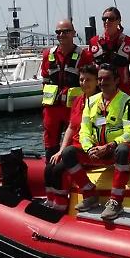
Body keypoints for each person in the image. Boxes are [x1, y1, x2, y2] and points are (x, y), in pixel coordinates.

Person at [87, 7, 130, 153]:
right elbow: (91, 73)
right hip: (103, 94)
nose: (106, 22)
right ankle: (106, 152)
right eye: (104, 19)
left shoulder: (129, 43)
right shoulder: (94, 42)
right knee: (104, 125)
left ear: (118, 21)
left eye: (110, 18)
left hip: (126, 91)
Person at [78, 63, 130, 221]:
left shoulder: (128, 102)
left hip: (116, 150)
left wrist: (110, 146)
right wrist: (89, 148)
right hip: (97, 150)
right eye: (99, 79)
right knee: (68, 154)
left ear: (116, 80)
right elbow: (84, 130)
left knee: (123, 150)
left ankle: (116, 201)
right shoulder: (91, 102)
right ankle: (90, 194)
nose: (102, 82)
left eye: (106, 79)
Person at [42, 64, 100, 211]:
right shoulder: (78, 101)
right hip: (74, 148)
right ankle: (51, 202)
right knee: (50, 167)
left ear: (97, 81)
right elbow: (71, 127)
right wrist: (60, 150)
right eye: (81, 80)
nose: (84, 83)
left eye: (88, 80)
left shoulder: (101, 102)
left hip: (88, 149)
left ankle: (61, 206)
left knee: (60, 170)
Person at [40, 19, 87, 161]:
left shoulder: (84, 55)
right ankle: (52, 175)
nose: (61, 34)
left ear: (73, 33)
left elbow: (90, 84)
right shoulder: (48, 54)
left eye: (65, 31)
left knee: (73, 145)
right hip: (51, 110)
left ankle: (75, 175)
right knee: (50, 145)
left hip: (73, 109)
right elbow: (45, 79)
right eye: (58, 32)